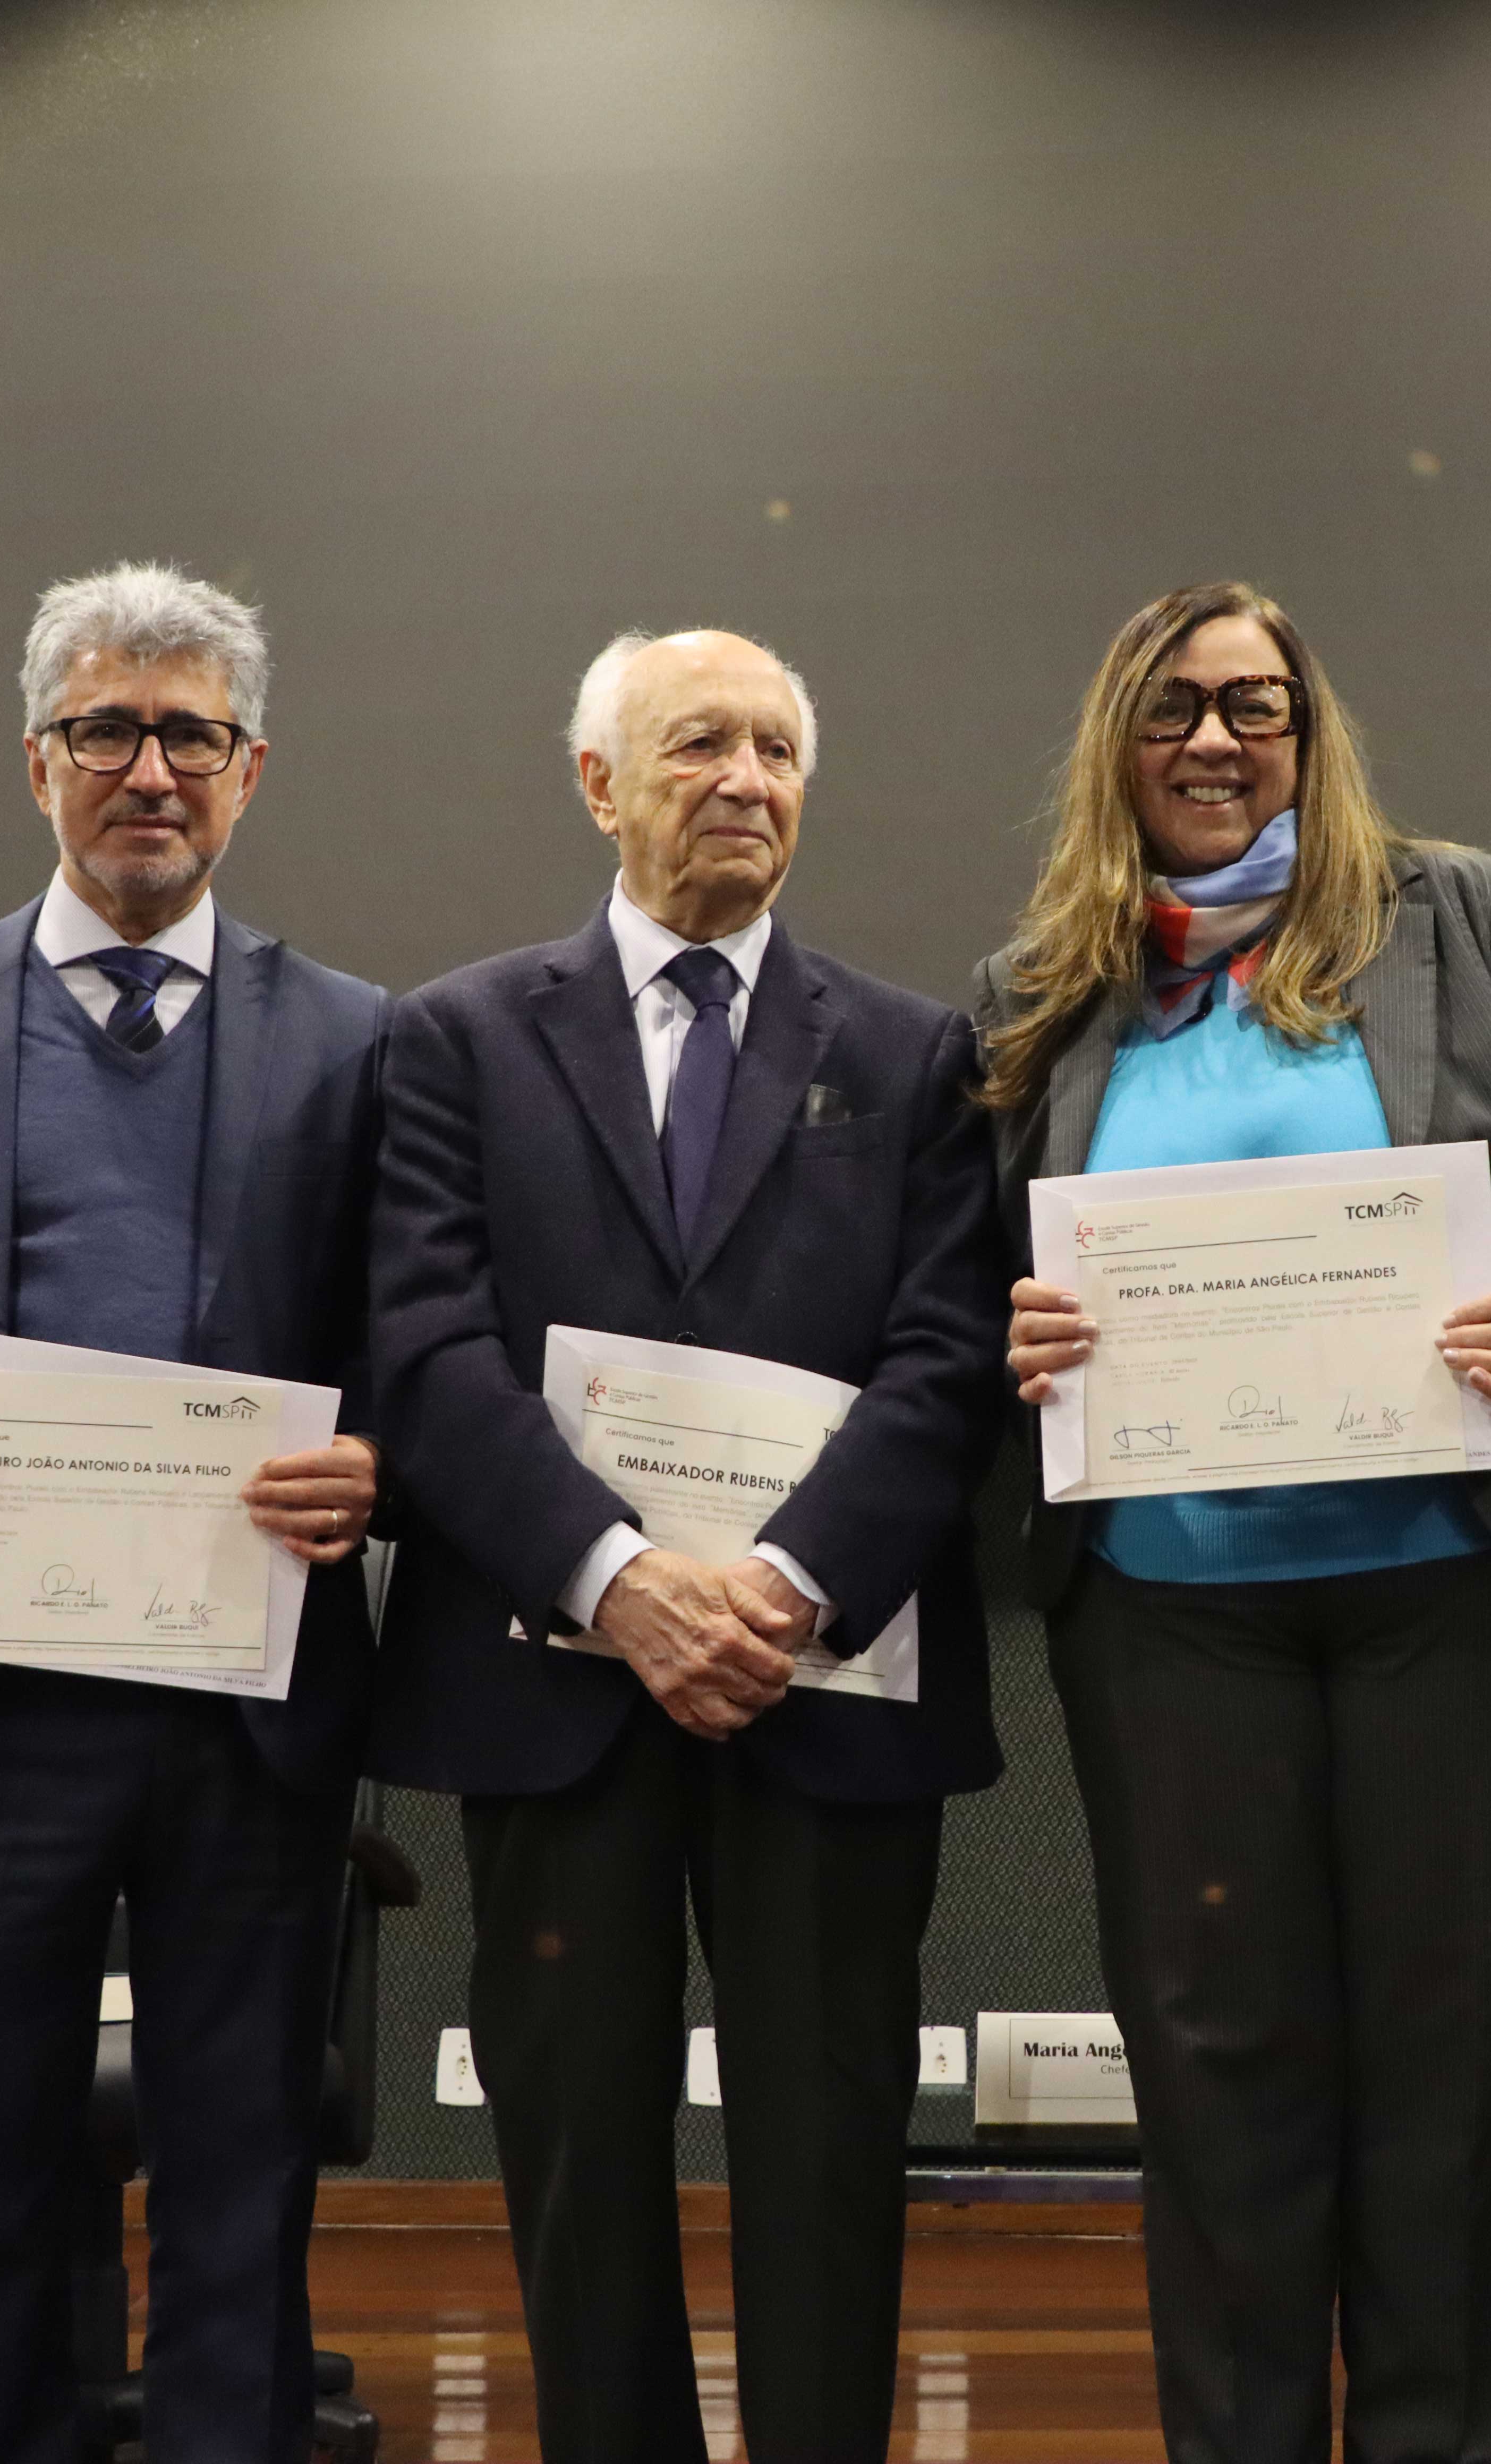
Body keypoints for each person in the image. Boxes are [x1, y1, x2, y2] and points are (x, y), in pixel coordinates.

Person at [981, 580, 1491, 2464]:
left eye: (1255, 705)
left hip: (1458, 1605)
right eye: (1175, 707)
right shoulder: (1043, 983)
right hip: (1170, 1614)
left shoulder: (1464, 914)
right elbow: (978, 1279)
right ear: (1120, 740)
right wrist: (1014, 1338)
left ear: (1307, 728)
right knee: (1217, 2081)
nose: (1215, 739)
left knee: (1447, 2073)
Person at [0, 564, 387, 2462]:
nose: (149, 770)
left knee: (241, 2206)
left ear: (252, 770)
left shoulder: (361, 1039)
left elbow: (411, 1339)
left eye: (190, 734)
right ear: (37, 760)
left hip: (245, 1709)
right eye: (106, 729)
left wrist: (380, 1461)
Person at [366, 628, 1006, 2463]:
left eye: (778, 749)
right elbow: (425, 1349)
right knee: (577, 2146)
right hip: (550, 1688)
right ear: (599, 785)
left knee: (830, 2144)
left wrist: (781, 1589)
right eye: (699, 743)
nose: (746, 779)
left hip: (827, 1687)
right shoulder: (457, 1038)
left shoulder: (913, 1054)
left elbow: (948, 1356)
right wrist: (623, 1583)